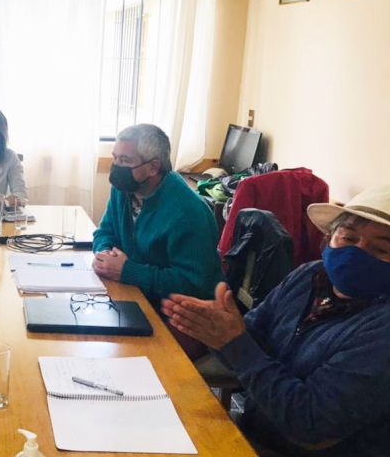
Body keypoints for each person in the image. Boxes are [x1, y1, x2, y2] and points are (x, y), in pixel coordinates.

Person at [161, 185, 390, 457]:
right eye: (348, 238)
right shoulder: (310, 275)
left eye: (381, 249)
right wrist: (216, 329)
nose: (358, 253)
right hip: (251, 434)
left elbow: (311, 426)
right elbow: (251, 340)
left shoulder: (381, 329)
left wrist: (235, 342)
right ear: (330, 238)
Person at [93, 124, 224, 309]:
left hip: (181, 314)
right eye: (115, 158)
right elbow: (105, 231)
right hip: (137, 295)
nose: (116, 167)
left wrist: (128, 271)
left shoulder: (188, 212)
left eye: (124, 160)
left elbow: (193, 285)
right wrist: (104, 254)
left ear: (153, 167)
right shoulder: (124, 189)